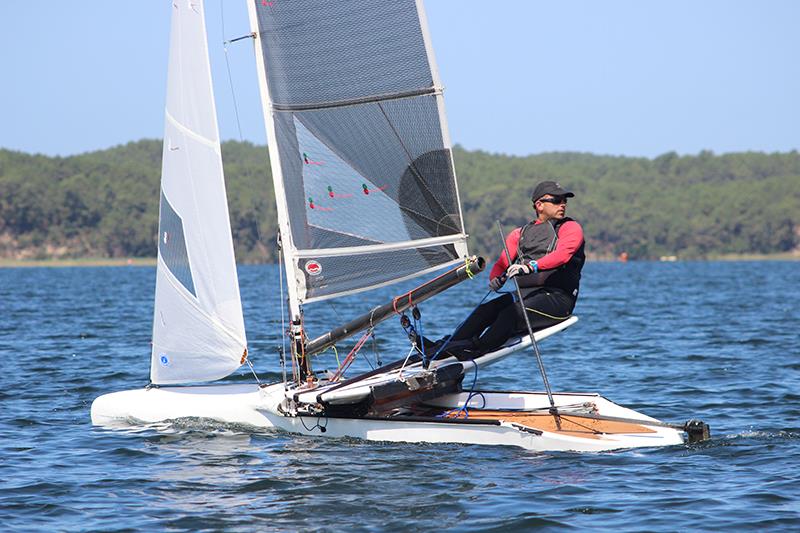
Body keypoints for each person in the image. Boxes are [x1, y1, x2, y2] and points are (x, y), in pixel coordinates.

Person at [433, 180, 585, 359]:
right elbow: (501, 265)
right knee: (484, 311)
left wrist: (530, 267)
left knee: (510, 313)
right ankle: (444, 347)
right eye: (557, 200)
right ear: (539, 205)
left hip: (558, 300)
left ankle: (476, 349)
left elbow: (562, 255)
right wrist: (496, 279)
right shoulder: (519, 234)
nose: (563, 204)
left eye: (564, 200)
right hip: (525, 295)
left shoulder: (570, 228)